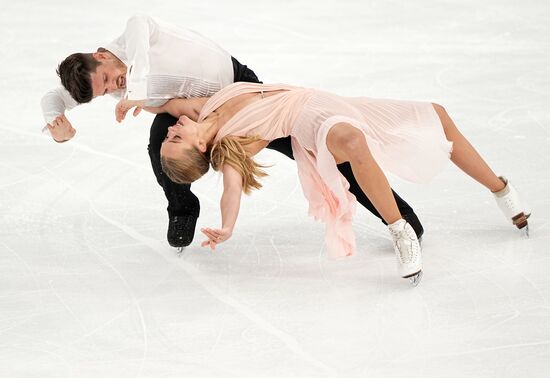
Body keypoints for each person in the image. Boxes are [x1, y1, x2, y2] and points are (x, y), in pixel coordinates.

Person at [40, 14, 425, 250]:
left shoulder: (136, 35)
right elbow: (52, 98)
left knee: (317, 148)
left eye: (108, 79)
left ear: (103, 55)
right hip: (193, 111)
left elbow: (138, 30)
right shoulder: (111, 82)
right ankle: (183, 209)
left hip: (239, 92)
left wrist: (138, 94)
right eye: (106, 90)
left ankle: (396, 213)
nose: (113, 87)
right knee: (160, 147)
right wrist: (59, 126)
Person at [138, 82, 529, 285]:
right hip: (310, 122)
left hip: (329, 99)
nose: (170, 130)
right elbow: (231, 188)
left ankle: (500, 189)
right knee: (354, 142)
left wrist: (129, 100)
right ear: (201, 147)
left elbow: (163, 103)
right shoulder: (228, 148)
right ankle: (400, 230)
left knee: (436, 115)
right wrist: (227, 226)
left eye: (170, 135)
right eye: (175, 139)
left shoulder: (200, 109)